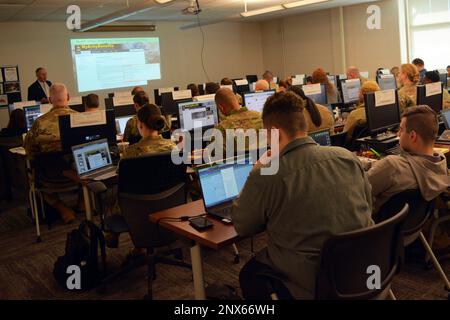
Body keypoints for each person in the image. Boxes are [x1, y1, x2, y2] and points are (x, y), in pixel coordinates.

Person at [233, 91, 373, 300]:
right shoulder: (346, 157)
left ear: (273, 132)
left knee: (250, 274)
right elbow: (368, 205)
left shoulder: (267, 173)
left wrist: (258, 169)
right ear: (304, 125)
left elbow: (242, 226)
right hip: (364, 266)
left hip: (314, 281)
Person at [366, 105, 448, 213]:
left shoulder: (392, 166)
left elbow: (357, 190)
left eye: (401, 129)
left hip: (378, 226)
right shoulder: (441, 161)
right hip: (413, 225)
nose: (398, 134)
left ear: (413, 136)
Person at [24, 83, 78, 223]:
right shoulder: (80, 119)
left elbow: (29, 150)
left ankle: (62, 209)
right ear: (68, 97)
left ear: (49, 100)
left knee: (33, 177)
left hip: (48, 176)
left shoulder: (39, 123)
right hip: (77, 174)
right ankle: (84, 202)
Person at [212, 88, 264, 153]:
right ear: (237, 100)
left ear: (221, 108)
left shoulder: (221, 128)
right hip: (265, 161)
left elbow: (215, 154)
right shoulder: (262, 118)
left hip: (240, 163)